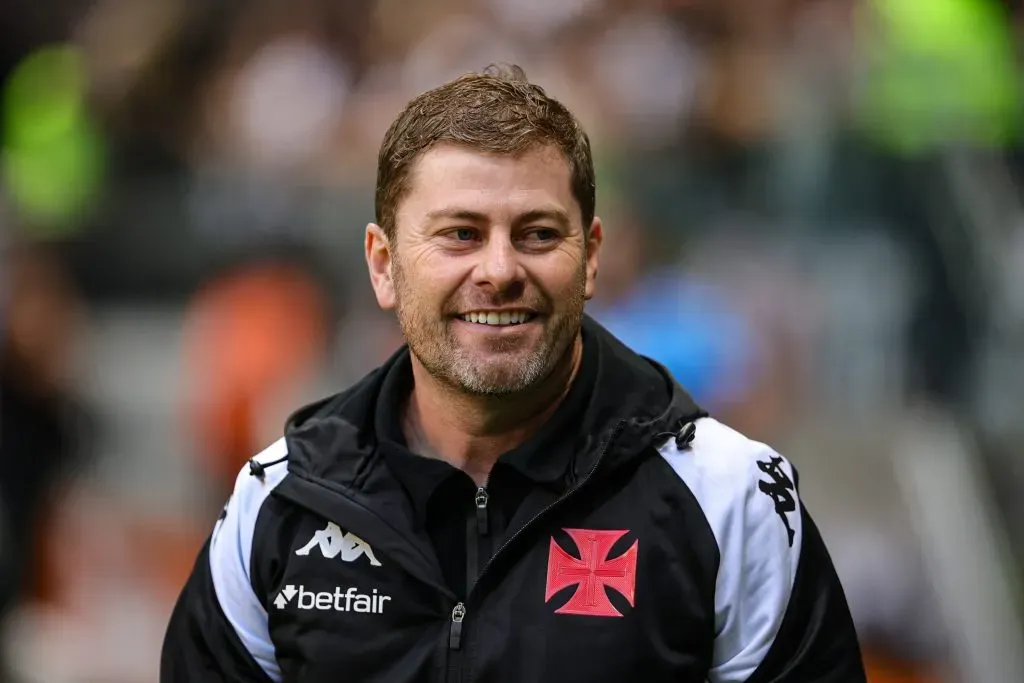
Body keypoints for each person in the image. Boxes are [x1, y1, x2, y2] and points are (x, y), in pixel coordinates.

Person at [161, 64, 866, 682]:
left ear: (590, 258)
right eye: (460, 233)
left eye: (536, 233)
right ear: (383, 265)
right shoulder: (279, 504)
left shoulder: (730, 500)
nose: (499, 271)